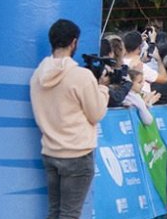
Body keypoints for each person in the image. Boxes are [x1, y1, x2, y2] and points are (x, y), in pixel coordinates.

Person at [30, 19, 110, 219]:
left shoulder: (38, 75)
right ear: (74, 42)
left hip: (50, 151)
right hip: (77, 155)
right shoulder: (81, 76)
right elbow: (97, 113)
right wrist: (103, 88)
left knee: (55, 212)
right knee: (70, 214)